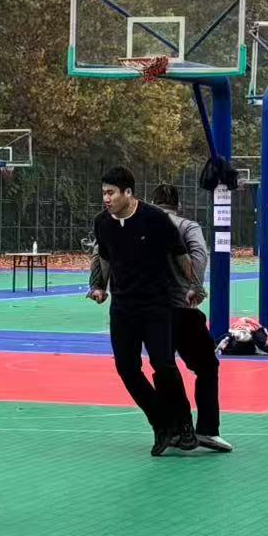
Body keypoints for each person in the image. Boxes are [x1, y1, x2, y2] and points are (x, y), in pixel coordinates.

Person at [87, 167, 197, 453]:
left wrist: (195, 286)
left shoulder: (155, 218)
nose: (106, 199)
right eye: (103, 193)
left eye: (111, 193)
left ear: (128, 193)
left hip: (156, 305)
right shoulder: (102, 222)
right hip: (123, 308)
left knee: (164, 365)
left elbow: (180, 255)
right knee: (126, 369)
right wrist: (99, 286)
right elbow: (103, 257)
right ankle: (161, 423)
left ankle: (184, 423)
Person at [146, 183, 228, 451]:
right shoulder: (187, 226)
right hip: (182, 306)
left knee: (164, 368)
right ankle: (207, 429)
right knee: (206, 367)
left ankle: (173, 428)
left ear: (151, 202)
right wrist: (196, 287)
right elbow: (199, 256)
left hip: (150, 310)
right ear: (178, 205)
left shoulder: (141, 224)